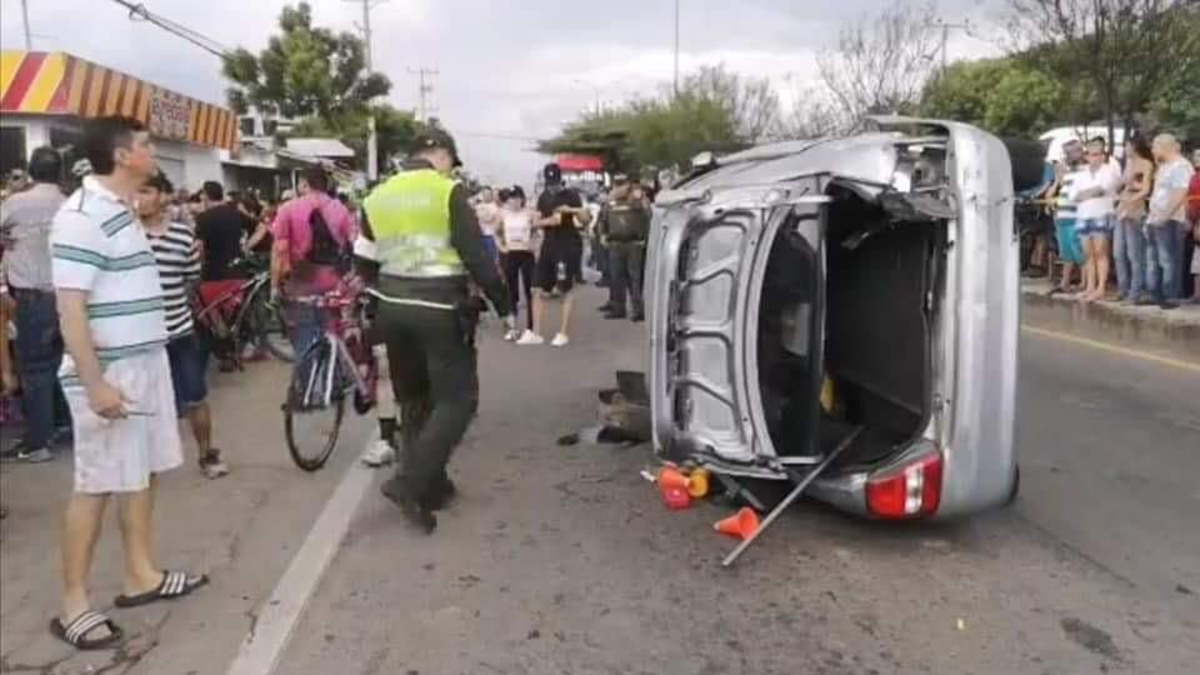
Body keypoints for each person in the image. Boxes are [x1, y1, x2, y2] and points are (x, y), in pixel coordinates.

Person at [49, 116, 207, 651]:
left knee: (141, 473)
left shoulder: (123, 208)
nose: (153, 150)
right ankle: (73, 604)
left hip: (145, 360)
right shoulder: (80, 217)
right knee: (95, 484)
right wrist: (95, 385)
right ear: (121, 155)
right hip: (109, 369)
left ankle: (141, 574)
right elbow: (70, 309)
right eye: (146, 144)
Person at [354, 126, 515, 533]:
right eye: (450, 162)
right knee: (458, 400)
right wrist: (505, 306)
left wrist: (385, 293)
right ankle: (409, 483)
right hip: (440, 307)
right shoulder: (447, 191)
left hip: (392, 309)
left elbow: (364, 260)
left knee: (414, 399)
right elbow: (476, 255)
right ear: (440, 154)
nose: (450, 169)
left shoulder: (377, 196)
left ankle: (433, 485)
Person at [137, 171, 228, 479]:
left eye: (146, 191)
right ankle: (142, 465)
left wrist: (174, 303)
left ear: (163, 195)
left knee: (195, 396)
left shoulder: (182, 236)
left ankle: (207, 455)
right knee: (141, 402)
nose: (138, 199)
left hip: (179, 331)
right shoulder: (125, 235)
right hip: (140, 336)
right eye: (135, 192)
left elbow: (192, 278)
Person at [0, 146, 69, 463]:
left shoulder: (17, 203)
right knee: (61, 363)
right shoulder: (69, 204)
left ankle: (38, 441)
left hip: (32, 298)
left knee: (35, 369)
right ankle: (62, 425)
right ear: (60, 172)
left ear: (31, 171)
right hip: (66, 297)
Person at [270, 167, 357, 356]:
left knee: (304, 335)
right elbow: (352, 244)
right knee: (333, 333)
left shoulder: (288, 209)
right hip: (334, 280)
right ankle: (333, 369)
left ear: (304, 184)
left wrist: (275, 285)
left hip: (301, 281)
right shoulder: (341, 209)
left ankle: (310, 371)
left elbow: (279, 251)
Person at [523, 163, 592, 347]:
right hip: (548, 245)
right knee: (536, 288)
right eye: (549, 183)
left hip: (567, 246)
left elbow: (578, 219)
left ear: (560, 180)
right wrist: (537, 221)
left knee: (564, 289)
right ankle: (536, 333)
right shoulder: (544, 196)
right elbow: (541, 218)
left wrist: (572, 210)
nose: (552, 187)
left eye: (554, 183)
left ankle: (563, 333)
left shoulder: (571, 195)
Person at [1144, 134, 1195, 308]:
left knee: (1169, 259)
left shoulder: (1181, 167)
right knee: (1154, 260)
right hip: (1155, 219)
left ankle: (1171, 295)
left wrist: (1165, 216)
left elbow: (1180, 194)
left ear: (1164, 146)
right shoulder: (1165, 166)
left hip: (1171, 219)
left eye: (1154, 147)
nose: (1152, 150)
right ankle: (1155, 293)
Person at [1069, 139, 1121, 303]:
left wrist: (1084, 194)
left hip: (1101, 214)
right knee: (1088, 253)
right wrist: (1090, 193)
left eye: (1098, 154)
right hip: (1083, 215)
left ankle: (1101, 288)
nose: (1095, 157)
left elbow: (1103, 189)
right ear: (1087, 156)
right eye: (1092, 154)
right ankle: (1090, 287)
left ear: (1103, 156)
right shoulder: (1081, 174)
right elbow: (1073, 195)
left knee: (1100, 252)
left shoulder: (1109, 171)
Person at [596, 174, 652, 321]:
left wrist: (638, 198)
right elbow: (602, 220)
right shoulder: (611, 202)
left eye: (622, 183)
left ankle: (638, 310)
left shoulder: (636, 199)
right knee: (616, 277)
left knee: (634, 278)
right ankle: (618, 308)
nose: (620, 187)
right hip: (615, 243)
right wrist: (602, 235)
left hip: (634, 243)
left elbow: (647, 216)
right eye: (617, 183)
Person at [1115, 136, 1155, 304]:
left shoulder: (1146, 164)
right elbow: (1121, 185)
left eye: (1127, 146)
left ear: (1134, 147)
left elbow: (1145, 189)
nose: (1125, 149)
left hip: (1136, 209)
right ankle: (1122, 289)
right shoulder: (1128, 163)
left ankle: (1135, 292)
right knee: (1118, 252)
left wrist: (1132, 189)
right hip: (1122, 207)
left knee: (1134, 254)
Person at [497, 186, 538, 341]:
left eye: (517, 198)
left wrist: (534, 245)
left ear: (522, 199)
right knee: (511, 292)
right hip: (511, 254)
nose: (515, 201)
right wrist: (501, 247)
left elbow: (538, 231)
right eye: (512, 198)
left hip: (526, 254)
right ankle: (513, 328)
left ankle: (531, 327)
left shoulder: (529, 213)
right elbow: (494, 232)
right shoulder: (503, 214)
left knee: (530, 291)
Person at [1049, 141, 1086, 294]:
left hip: (1075, 216)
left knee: (1079, 251)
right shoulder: (1069, 172)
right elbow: (1058, 191)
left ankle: (1085, 283)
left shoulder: (1085, 171)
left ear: (1079, 152)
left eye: (1069, 153)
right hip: (1062, 216)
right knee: (1066, 253)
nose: (1066, 156)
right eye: (1065, 153)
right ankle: (1065, 282)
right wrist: (1059, 178)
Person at [473, 187, 502, 264]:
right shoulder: (478, 206)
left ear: (491, 195)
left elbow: (488, 218)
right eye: (484, 194)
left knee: (492, 260)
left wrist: (480, 214)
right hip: (479, 236)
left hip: (490, 237)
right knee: (481, 260)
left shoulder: (494, 207)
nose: (486, 195)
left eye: (488, 194)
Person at [1187, 148, 1200, 303]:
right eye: (1195, 155)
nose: (1197, 158)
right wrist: (1190, 219)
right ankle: (1197, 295)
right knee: (1197, 261)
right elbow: (1190, 200)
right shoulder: (1194, 177)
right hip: (1196, 221)